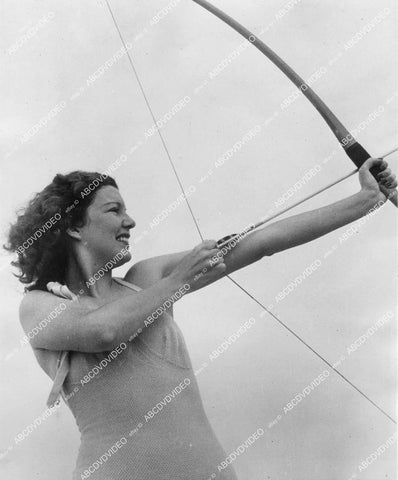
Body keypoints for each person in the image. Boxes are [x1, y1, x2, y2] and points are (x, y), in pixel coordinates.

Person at [4, 159, 396, 479]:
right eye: (114, 210)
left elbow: (261, 242)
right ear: (73, 226)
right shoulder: (40, 305)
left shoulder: (145, 280)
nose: (131, 221)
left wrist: (366, 200)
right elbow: (104, 330)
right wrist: (180, 277)